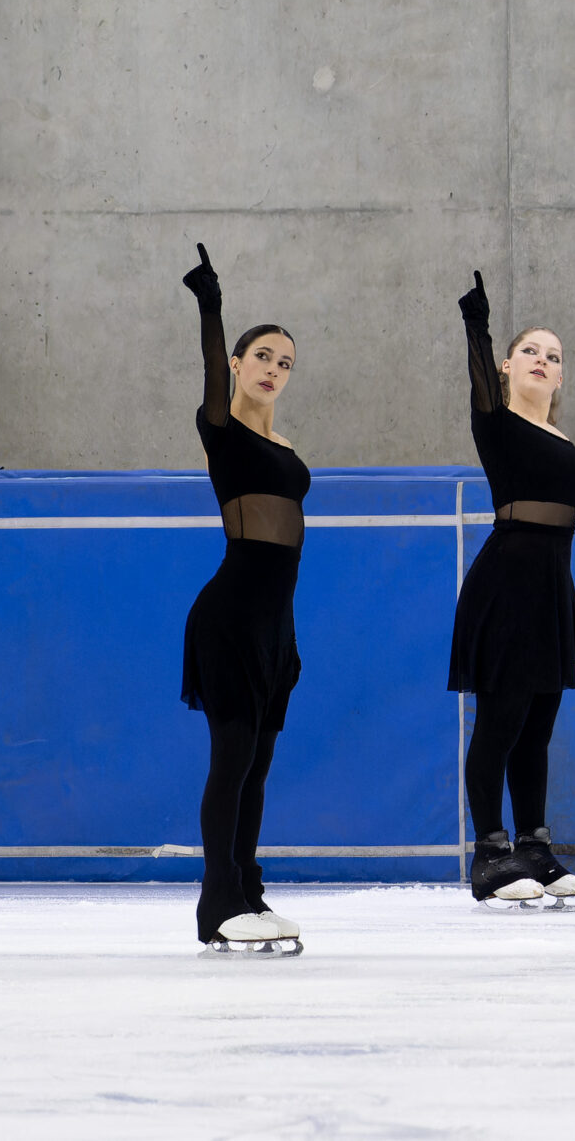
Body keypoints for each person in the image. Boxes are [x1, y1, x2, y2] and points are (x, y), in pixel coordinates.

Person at [178, 245, 311, 954]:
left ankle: (247, 890)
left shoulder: (282, 442)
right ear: (236, 363)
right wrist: (211, 306)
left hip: (272, 625)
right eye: (262, 356)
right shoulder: (220, 427)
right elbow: (208, 372)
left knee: (257, 766)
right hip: (229, 618)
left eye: (284, 363)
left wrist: (285, 634)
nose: (272, 369)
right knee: (231, 760)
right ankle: (216, 902)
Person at [450, 273, 575, 910]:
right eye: (530, 351)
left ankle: (535, 848)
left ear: (561, 377)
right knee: (501, 725)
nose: (542, 360)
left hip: (549, 593)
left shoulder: (562, 439)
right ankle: (489, 855)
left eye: (553, 356)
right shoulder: (498, 423)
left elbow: (560, 539)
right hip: (505, 588)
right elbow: (482, 386)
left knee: (536, 732)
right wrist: (478, 329)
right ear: (508, 366)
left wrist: (572, 607)